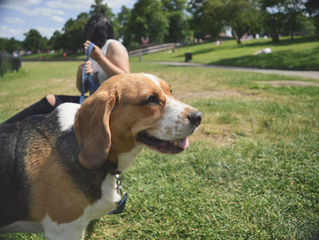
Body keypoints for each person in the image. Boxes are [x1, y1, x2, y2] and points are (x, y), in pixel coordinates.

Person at [4, 14, 130, 124]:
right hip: (96, 102)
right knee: (51, 101)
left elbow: (126, 79)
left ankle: (5, 129)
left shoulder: (113, 45)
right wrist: (80, 72)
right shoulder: (95, 52)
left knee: (52, 101)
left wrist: (100, 59)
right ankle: (7, 129)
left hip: (112, 106)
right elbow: (83, 89)